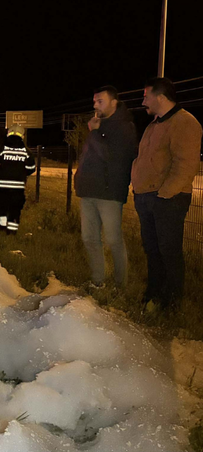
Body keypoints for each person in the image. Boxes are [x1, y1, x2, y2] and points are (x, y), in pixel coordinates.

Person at [131, 77, 202, 312]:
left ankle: (171, 302)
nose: (143, 102)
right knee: (151, 249)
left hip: (167, 199)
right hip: (146, 196)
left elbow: (185, 164)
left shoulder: (185, 122)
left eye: (145, 96)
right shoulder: (154, 125)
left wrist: (165, 194)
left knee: (168, 251)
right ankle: (154, 292)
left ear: (160, 97)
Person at [73, 86, 138, 288]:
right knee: (89, 238)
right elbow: (90, 156)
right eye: (94, 101)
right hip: (89, 191)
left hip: (109, 193)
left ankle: (120, 286)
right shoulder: (100, 125)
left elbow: (110, 157)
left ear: (114, 103)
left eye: (100, 101)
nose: (95, 104)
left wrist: (94, 133)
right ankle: (98, 281)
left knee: (113, 240)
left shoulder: (124, 127)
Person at [0, 125, 36, 234]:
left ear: (8, 134)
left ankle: (2, 227)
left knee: (2, 206)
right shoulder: (27, 152)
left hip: (3, 186)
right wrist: (21, 174)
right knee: (15, 209)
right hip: (18, 187)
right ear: (22, 136)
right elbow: (31, 169)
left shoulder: (1, 150)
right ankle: (12, 232)